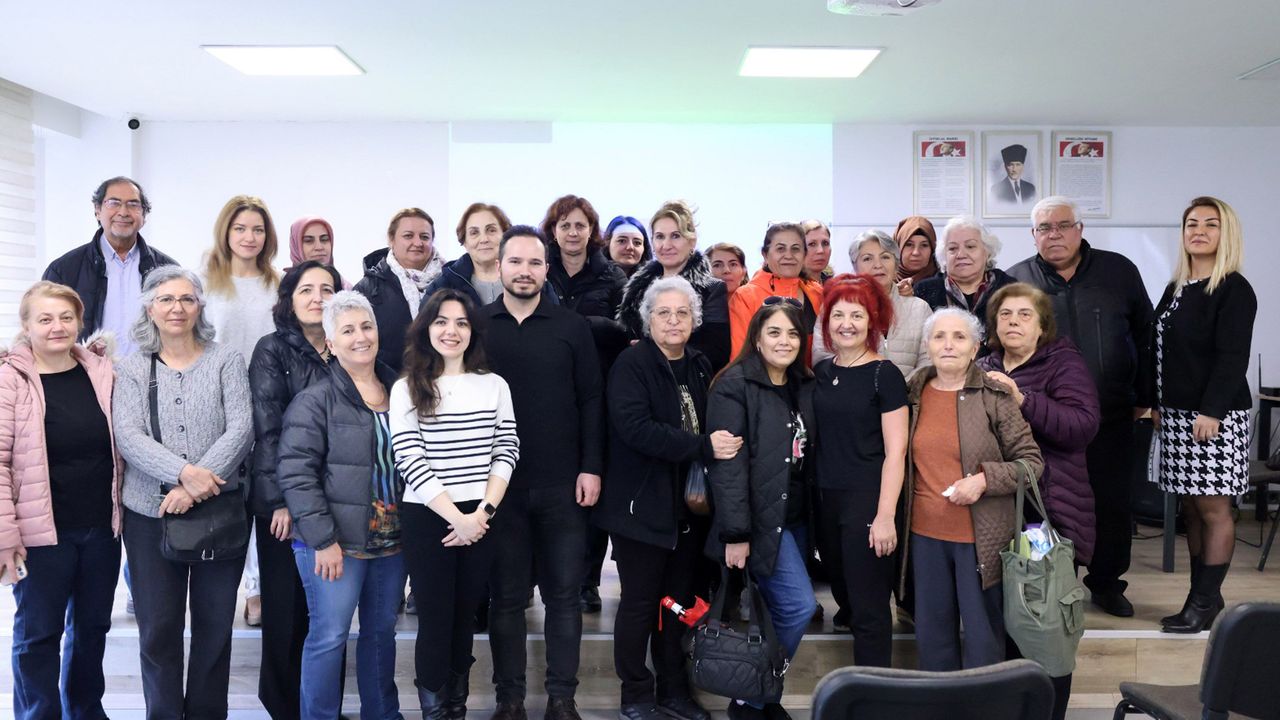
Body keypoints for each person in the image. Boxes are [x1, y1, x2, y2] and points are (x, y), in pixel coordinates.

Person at [594, 277, 741, 720]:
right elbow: (635, 429)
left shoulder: (698, 363)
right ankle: (636, 694)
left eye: (682, 313)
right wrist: (702, 446)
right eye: (664, 313)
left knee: (677, 603)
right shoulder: (632, 363)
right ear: (648, 319)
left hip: (688, 508)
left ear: (694, 320)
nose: (674, 321)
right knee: (640, 604)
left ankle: (674, 691)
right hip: (640, 507)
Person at [112, 265, 254, 719]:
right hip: (149, 517)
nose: (177, 308)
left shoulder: (226, 359)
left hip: (219, 513)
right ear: (150, 309)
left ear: (199, 307)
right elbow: (128, 435)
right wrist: (183, 473)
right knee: (158, 629)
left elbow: (242, 428)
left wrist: (192, 488)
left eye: (187, 299)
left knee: (215, 627)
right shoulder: (131, 368)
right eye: (167, 299)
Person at [1007, 196, 1154, 617]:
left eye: (1062, 225)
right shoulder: (1017, 278)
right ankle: (1052, 579)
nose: (1054, 235)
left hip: (1111, 414)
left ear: (1080, 229)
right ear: (1033, 235)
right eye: (1044, 228)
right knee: (1042, 505)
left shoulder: (1118, 271)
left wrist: (1146, 396)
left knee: (1112, 503)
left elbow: (1145, 334)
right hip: (1043, 421)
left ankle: (1107, 582)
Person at [482, 225, 604, 720]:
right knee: (507, 599)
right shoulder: (476, 325)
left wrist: (591, 467)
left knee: (564, 598)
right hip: (498, 489)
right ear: (499, 267)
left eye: (534, 263)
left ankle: (562, 699)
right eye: (515, 262)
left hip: (563, 485)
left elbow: (591, 400)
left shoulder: (571, 326)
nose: (524, 271)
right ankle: (509, 701)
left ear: (546, 270)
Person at [277, 290, 407, 720]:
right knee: (329, 636)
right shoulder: (315, 400)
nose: (360, 337)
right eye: (347, 330)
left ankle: (382, 715)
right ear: (331, 344)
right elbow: (297, 474)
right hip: (335, 545)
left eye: (366, 327)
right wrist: (322, 540)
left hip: (392, 541)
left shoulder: (402, 392)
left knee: (381, 634)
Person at [390, 289, 519, 719]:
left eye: (461, 322)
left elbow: (507, 449)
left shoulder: (494, 385)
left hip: (481, 517)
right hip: (429, 515)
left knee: (465, 615)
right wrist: (457, 520)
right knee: (435, 616)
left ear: (473, 331)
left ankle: (456, 707)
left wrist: (482, 514)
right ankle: (434, 710)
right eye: (442, 321)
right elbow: (409, 459)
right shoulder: (406, 388)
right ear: (426, 329)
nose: (452, 330)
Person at [976, 283, 1100, 720]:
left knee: (1045, 630)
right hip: (996, 516)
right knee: (1006, 627)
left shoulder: (1063, 363)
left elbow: (1083, 426)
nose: (1013, 322)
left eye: (1024, 315)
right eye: (1005, 315)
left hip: (1048, 515)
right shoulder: (983, 366)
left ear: (1042, 325)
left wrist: (1022, 399)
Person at [1, 282, 122, 720]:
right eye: (46, 319)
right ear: (26, 325)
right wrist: (6, 535)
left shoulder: (102, 372)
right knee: (38, 636)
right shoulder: (10, 380)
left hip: (101, 530)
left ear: (80, 322)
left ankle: (86, 712)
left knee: (92, 630)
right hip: (39, 535)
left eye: (66, 317)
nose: (58, 327)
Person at [901, 308, 1042, 671]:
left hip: (981, 539)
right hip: (925, 536)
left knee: (983, 638)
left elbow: (1031, 463)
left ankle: (983, 700)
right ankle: (940, 700)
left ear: (975, 347)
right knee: (932, 637)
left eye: (959, 337)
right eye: (939, 337)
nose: (948, 345)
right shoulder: (913, 391)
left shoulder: (994, 395)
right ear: (927, 345)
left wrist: (983, 481)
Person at [707, 300, 819, 720]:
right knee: (799, 606)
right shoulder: (734, 385)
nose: (784, 341)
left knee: (775, 614)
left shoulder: (802, 383)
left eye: (792, 333)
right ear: (756, 338)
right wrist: (736, 533)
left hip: (796, 516)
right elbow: (728, 467)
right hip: (760, 522)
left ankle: (763, 698)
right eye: (774, 332)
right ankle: (750, 698)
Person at [1150, 197, 1256, 634]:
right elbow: (1162, 351)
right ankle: (1206, 598)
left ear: (1225, 234)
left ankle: (1203, 603)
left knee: (1213, 508)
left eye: (1211, 224)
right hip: (1176, 417)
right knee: (1192, 509)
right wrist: (1156, 403)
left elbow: (1232, 357)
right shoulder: (1177, 287)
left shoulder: (1233, 288)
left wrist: (1211, 410)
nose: (1199, 231)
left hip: (1215, 417)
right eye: (1192, 224)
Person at [247, 261, 343, 719]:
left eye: (327, 289)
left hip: (339, 500)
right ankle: (285, 709)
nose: (317, 297)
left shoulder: (348, 345)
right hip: (286, 503)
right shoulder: (272, 349)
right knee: (286, 615)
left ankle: (320, 709)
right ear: (289, 299)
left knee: (329, 617)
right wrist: (281, 502)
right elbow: (268, 431)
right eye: (307, 289)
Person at [812, 275, 908, 667]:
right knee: (845, 596)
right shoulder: (821, 371)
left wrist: (885, 515)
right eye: (838, 314)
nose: (846, 323)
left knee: (869, 608)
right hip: (825, 501)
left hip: (868, 500)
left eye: (857, 314)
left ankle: (875, 691)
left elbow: (896, 451)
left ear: (872, 321)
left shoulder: (885, 374)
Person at [202, 195, 283, 628]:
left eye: (257, 229)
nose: (249, 237)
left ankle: (257, 589)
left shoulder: (278, 283)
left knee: (263, 497)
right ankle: (229, 589)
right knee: (229, 500)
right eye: (240, 229)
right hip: (219, 404)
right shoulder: (206, 282)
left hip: (269, 401)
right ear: (226, 232)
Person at [42, 176, 177, 356]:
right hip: (86, 371)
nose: (123, 212)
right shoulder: (63, 270)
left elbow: (180, 332)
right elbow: (46, 332)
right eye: (114, 203)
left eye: (133, 204)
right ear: (97, 210)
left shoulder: (168, 270)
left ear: (144, 216)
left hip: (152, 371)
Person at [617, 201, 732, 371]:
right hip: (636, 376)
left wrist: (656, 352)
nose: (666, 245)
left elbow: (716, 353)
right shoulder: (636, 289)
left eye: (676, 236)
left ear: (692, 241)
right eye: (660, 237)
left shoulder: (712, 289)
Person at [813, 231, 930, 377]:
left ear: (896, 265)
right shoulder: (834, 307)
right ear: (855, 267)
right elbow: (822, 358)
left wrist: (899, 387)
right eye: (867, 258)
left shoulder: (919, 308)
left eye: (885, 257)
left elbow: (928, 361)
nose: (878, 265)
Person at [542, 194, 630, 376]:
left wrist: (585, 324)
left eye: (580, 226)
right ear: (554, 231)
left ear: (591, 229)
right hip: (547, 372)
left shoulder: (613, 276)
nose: (573, 233)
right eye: (565, 226)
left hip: (599, 376)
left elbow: (627, 330)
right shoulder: (540, 271)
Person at [355, 207, 444, 373]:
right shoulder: (367, 290)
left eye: (424, 237)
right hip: (389, 383)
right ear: (391, 239)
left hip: (445, 381)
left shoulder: (451, 281)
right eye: (408, 236)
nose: (417, 243)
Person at [728, 223, 823, 364]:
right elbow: (741, 357)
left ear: (804, 255)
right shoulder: (746, 297)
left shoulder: (818, 293)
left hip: (813, 377)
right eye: (780, 249)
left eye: (795, 249)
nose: (788, 255)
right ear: (765, 255)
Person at [914, 216, 1015, 334]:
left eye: (970, 246)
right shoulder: (924, 290)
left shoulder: (1010, 288)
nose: (961, 254)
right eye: (952, 248)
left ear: (987, 252)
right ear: (943, 255)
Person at [424, 202, 519, 308]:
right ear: (464, 241)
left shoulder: (525, 279)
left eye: (491, 230)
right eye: (474, 233)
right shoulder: (442, 286)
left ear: (505, 236)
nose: (484, 239)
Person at [288, 216, 351, 288]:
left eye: (324, 239)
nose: (319, 247)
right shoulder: (282, 289)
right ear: (296, 247)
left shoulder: (346, 289)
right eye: (309, 241)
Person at [894, 216, 940, 291]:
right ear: (898, 247)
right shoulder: (882, 281)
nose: (916, 252)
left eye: (924, 245)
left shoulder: (945, 285)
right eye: (909, 244)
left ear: (932, 249)